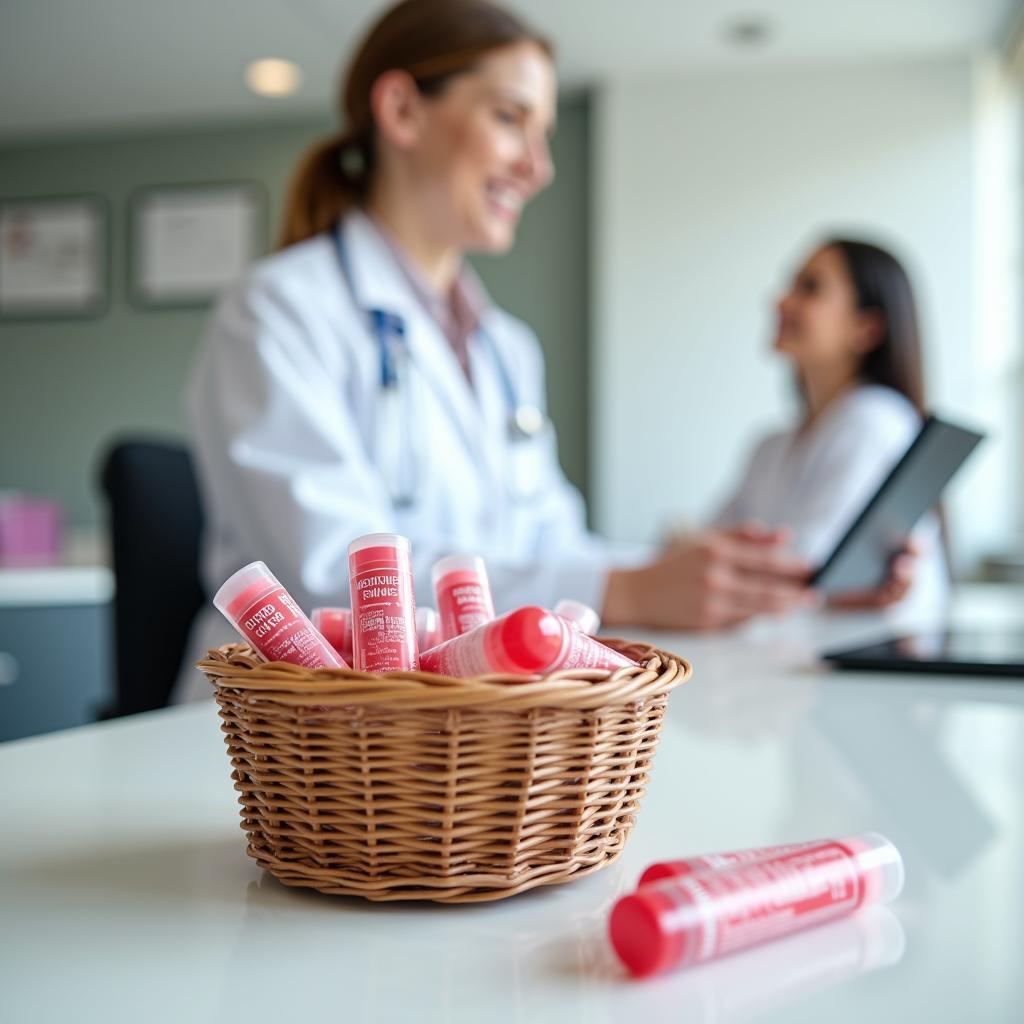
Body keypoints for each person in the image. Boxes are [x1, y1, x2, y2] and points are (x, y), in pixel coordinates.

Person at [175, 0, 862, 700]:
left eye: (545, 134)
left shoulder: (507, 349)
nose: (539, 168)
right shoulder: (281, 309)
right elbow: (326, 581)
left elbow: (555, 547)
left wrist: (713, 576)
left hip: (466, 742)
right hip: (290, 751)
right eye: (510, 119)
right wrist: (629, 588)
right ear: (403, 110)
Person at [713, 238, 947, 611]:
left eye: (810, 288)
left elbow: (801, 566)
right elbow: (707, 554)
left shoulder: (874, 419)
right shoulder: (770, 446)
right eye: (790, 285)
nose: (781, 301)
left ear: (866, 327)